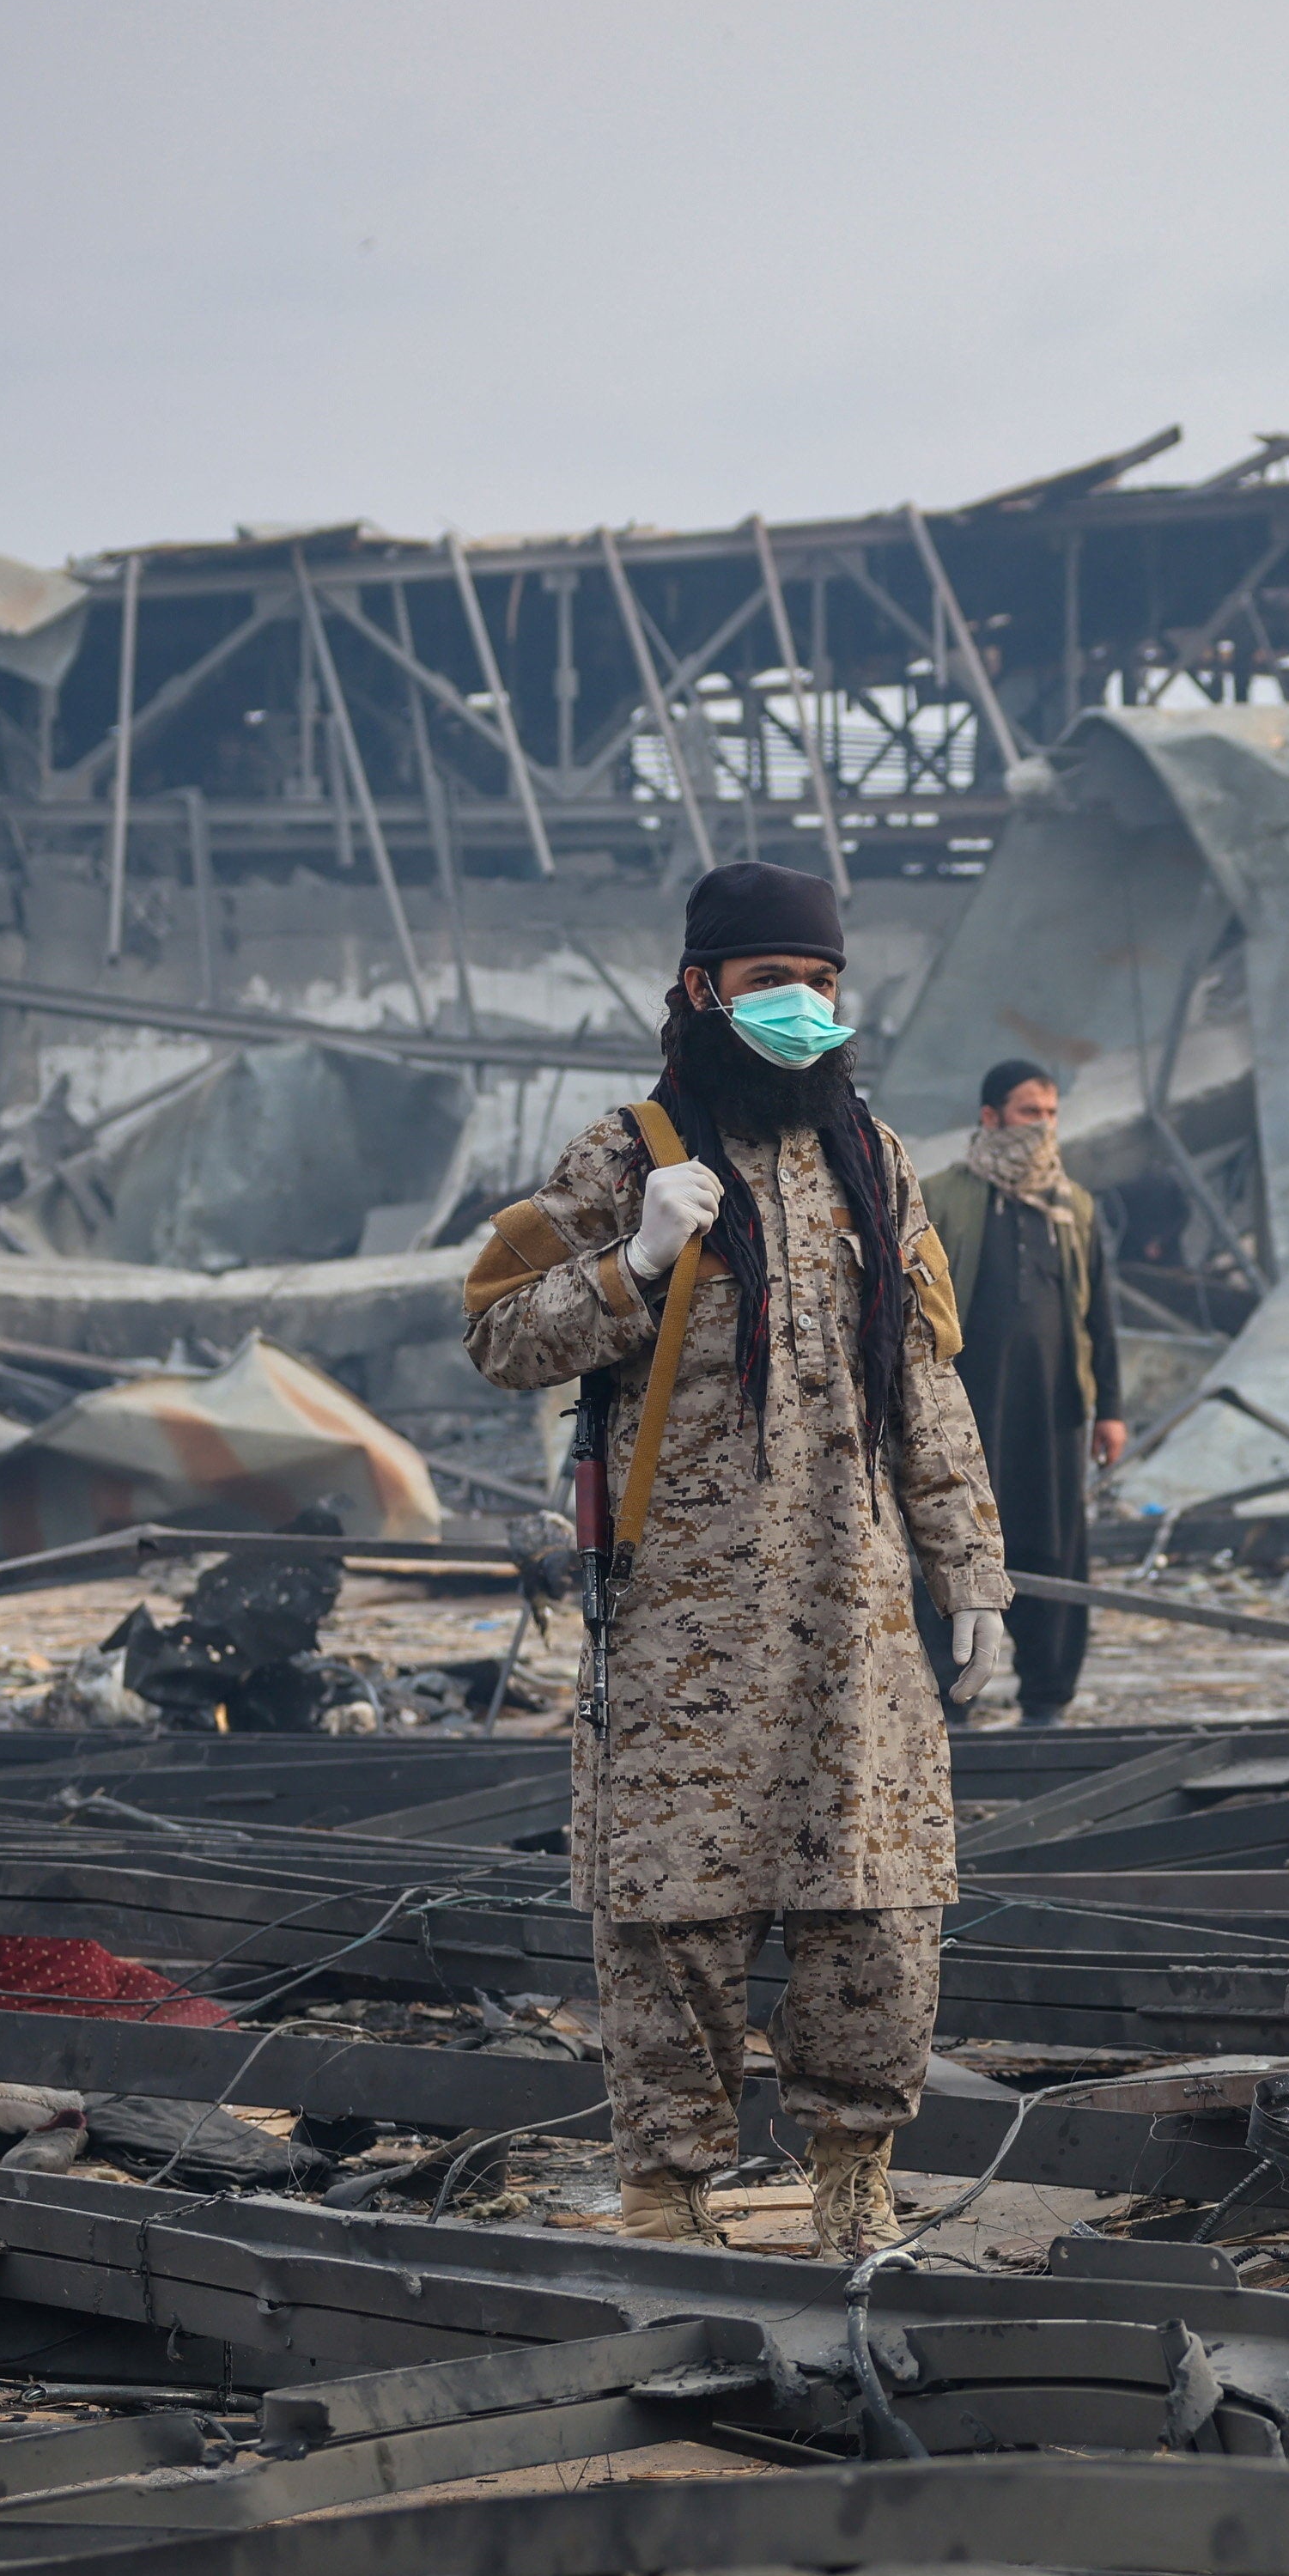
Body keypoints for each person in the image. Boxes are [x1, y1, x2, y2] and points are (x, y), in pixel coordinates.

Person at [461, 862, 1012, 2256]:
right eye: (774, 986)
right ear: (704, 991)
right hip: (680, 1628)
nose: (802, 1012)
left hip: (853, 1623)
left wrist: (973, 1578)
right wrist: (633, 1267)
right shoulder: (625, 1154)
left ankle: (850, 2174)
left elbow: (926, 1381)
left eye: (821, 988)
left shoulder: (873, 1162)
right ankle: (668, 2194)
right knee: (672, 1920)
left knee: (875, 1908)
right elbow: (496, 1335)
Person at [915, 1058, 1125, 1726]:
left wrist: (1110, 1410)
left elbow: (1101, 1316)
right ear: (990, 1117)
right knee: (954, 1538)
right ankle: (947, 1698)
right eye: (1030, 1112)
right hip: (967, 1408)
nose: (1044, 1127)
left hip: (1054, 1414)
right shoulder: (943, 1197)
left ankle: (1046, 1696)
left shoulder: (1073, 1206)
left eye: (1051, 1113)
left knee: (1054, 1543)